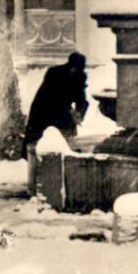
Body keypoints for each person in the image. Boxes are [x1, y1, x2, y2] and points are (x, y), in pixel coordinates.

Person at [22, 51, 89, 194]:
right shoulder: (54, 74)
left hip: (61, 115)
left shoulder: (79, 76)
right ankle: (36, 182)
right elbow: (52, 98)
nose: (75, 71)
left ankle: (62, 180)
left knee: (67, 145)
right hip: (43, 112)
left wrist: (80, 112)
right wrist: (70, 112)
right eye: (73, 68)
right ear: (69, 65)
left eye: (77, 69)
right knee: (36, 146)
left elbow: (82, 99)